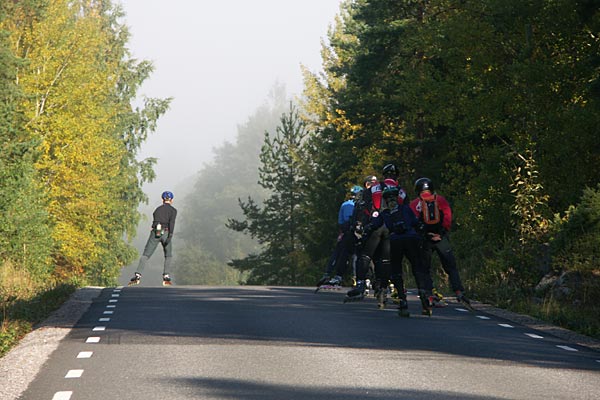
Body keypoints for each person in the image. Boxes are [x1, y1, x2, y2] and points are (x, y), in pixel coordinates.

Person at [345, 164, 408, 302]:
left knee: (365, 255)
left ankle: (361, 285)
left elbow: (363, 206)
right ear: (396, 176)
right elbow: (406, 211)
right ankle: (382, 286)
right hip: (392, 228)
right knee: (385, 258)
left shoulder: (374, 188)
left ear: (384, 175)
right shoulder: (401, 191)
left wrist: (361, 224)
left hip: (376, 224)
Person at [409, 178, 472, 310]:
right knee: (451, 267)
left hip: (425, 239)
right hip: (440, 238)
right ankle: (459, 291)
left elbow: (412, 222)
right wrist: (441, 234)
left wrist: (424, 234)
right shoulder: (440, 200)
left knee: (425, 268)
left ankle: (429, 294)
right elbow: (448, 217)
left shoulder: (415, 204)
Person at [379, 185, 429, 316]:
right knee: (417, 267)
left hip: (396, 241)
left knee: (396, 270)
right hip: (411, 239)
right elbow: (416, 222)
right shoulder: (405, 208)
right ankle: (423, 296)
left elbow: (374, 224)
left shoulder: (385, 213)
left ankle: (403, 301)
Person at [316, 185, 363, 289]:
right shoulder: (350, 205)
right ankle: (348, 277)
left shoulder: (348, 204)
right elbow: (349, 221)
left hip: (347, 232)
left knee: (343, 254)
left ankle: (332, 274)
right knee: (350, 254)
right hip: (351, 233)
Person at [129, 191, 178, 286]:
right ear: (171, 200)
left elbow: (155, 220)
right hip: (166, 232)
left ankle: (137, 275)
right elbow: (172, 223)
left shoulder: (157, 209)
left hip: (156, 231)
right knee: (168, 255)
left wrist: (154, 227)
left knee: (146, 254)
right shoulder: (173, 210)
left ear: (163, 199)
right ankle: (166, 276)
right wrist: (170, 235)